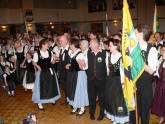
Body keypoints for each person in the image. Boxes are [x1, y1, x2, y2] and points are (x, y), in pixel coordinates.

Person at [129, 24, 158, 124]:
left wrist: (138, 61)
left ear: (141, 34)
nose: (133, 35)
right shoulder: (133, 49)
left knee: (144, 113)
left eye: (135, 33)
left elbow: (151, 71)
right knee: (133, 112)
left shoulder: (152, 49)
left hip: (145, 86)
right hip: (133, 84)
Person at [81, 39, 109, 120]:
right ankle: (91, 113)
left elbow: (107, 66)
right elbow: (85, 66)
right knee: (91, 97)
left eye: (91, 44)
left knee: (102, 98)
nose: (89, 46)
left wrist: (108, 74)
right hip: (91, 79)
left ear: (96, 45)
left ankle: (101, 113)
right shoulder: (88, 53)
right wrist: (83, 65)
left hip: (102, 80)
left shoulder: (105, 53)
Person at [104, 39, 129, 124]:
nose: (109, 47)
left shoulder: (122, 57)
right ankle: (114, 116)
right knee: (111, 100)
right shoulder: (108, 56)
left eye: (110, 45)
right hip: (110, 82)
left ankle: (120, 118)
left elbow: (125, 73)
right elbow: (108, 71)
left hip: (119, 83)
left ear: (116, 46)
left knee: (119, 101)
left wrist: (124, 85)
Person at [32, 39, 61, 110]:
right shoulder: (37, 54)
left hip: (49, 71)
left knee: (51, 86)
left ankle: (52, 98)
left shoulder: (50, 52)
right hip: (41, 72)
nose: (48, 45)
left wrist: (54, 59)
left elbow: (53, 63)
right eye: (47, 44)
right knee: (41, 87)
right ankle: (40, 102)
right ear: (42, 45)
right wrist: (37, 66)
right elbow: (33, 62)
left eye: (48, 44)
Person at [66, 39, 89, 116]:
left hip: (79, 75)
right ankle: (75, 106)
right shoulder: (73, 53)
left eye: (70, 45)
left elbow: (83, 67)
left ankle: (82, 109)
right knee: (74, 91)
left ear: (73, 45)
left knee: (79, 91)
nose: (69, 46)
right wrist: (69, 65)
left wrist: (81, 65)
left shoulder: (80, 54)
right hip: (73, 75)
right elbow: (73, 64)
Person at [152, 45, 165, 124]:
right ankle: (162, 117)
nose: (163, 53)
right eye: (162, 51)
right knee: (161, 103)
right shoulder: (161, 61)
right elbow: (157, 72)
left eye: (164, 51)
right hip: (160, 84)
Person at [59, 35, 72, 106]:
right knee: (64, 87)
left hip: (68, 72)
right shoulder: (61, 49)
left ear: (66, 41)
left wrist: (69, 64)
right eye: (60, 41)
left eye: (61, 41)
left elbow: (72, 59)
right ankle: (67, 99)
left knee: (69, 87)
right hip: (62, 72)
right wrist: (57, 58)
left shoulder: (70, 49)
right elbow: (62, 59)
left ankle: (71, 100)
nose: (60, 42)